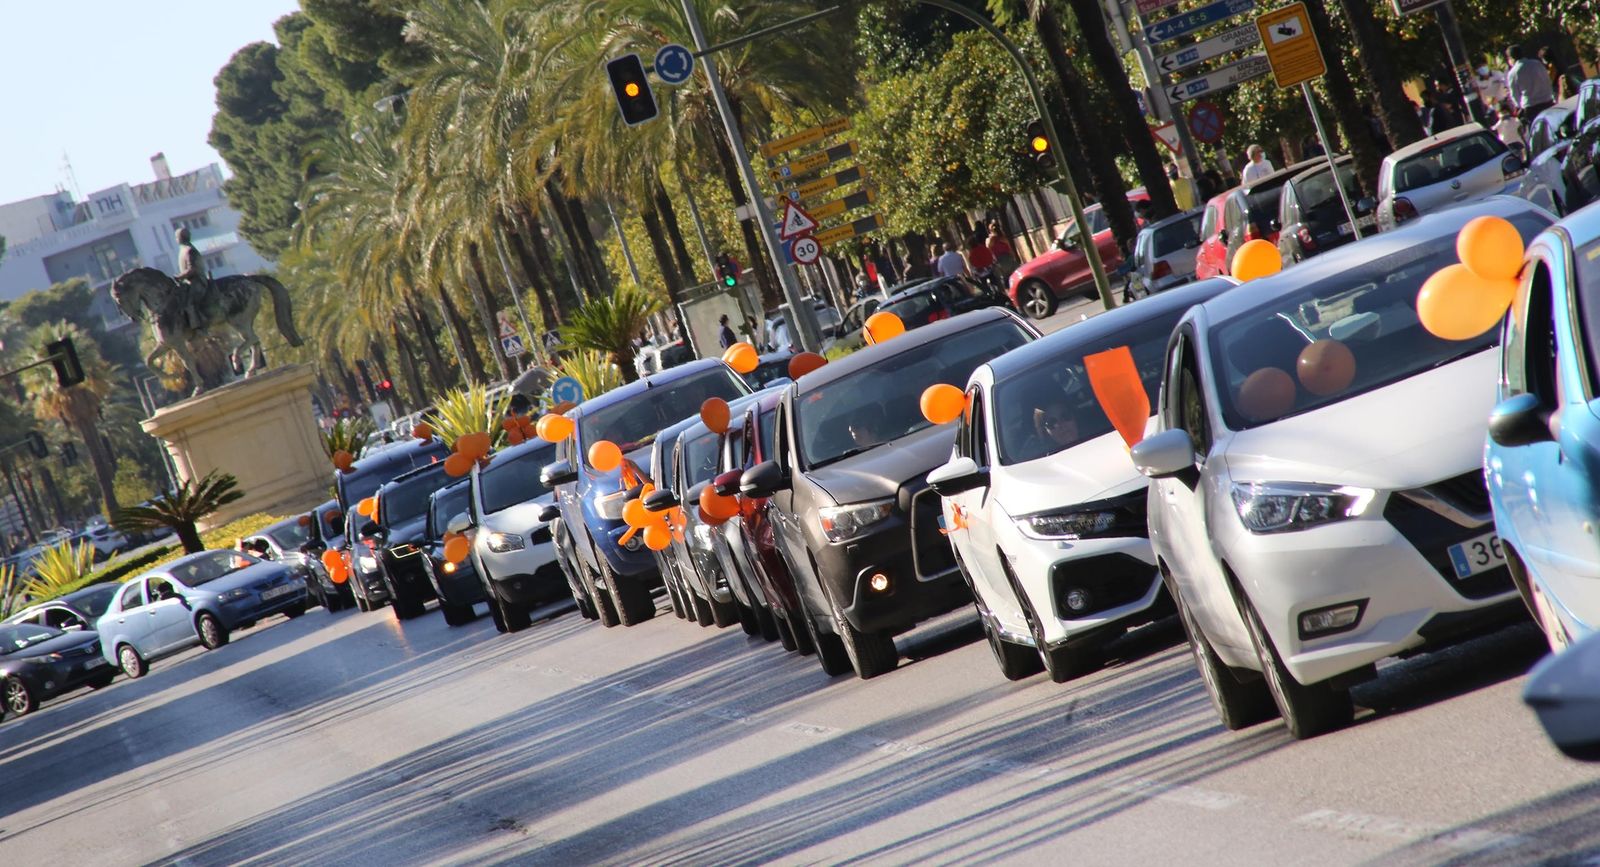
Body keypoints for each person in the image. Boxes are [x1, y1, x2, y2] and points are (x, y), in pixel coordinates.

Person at [1508, 44, 1557, 122]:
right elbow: (1547, 80)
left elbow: (1514, 95)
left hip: (1531, 107)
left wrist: (1520, 106)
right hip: (1548, 102)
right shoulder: (1536, 63)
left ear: (1511, 58)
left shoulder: (1513, 73)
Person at [173, 226, 208, 331]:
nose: (176, 239)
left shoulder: (189, 251)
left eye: (176, 237)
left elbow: (192, 269)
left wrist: (179, 276)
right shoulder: (183, 250)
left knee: (189, 303)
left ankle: (199, 328)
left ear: (181, 238)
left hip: (197, 282)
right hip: (188, 283)